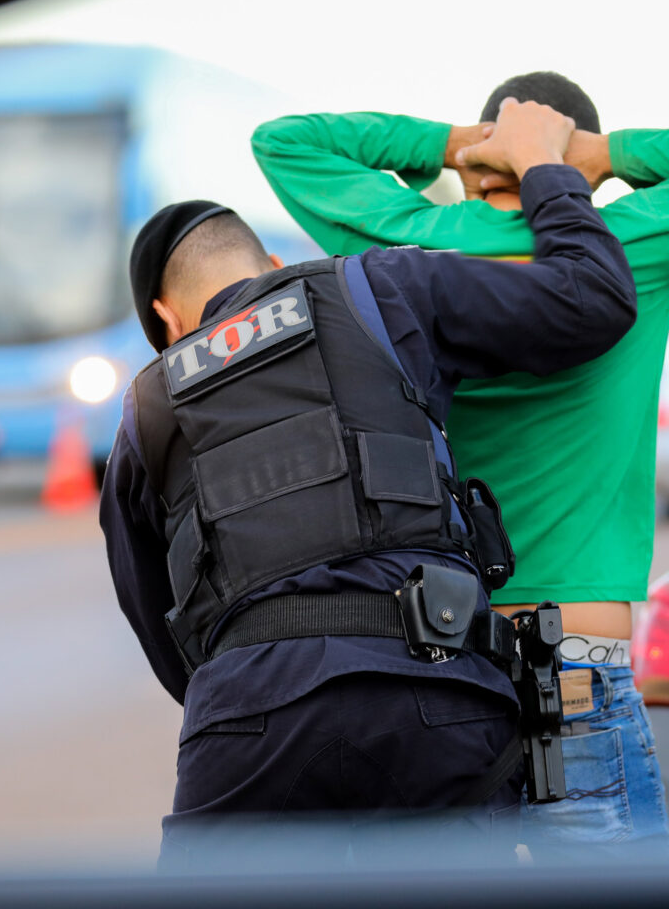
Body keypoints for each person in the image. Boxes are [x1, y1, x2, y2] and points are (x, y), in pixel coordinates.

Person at [251, 75, 669, 854]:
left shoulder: (405, 249)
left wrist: (454, 143)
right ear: (575, 170)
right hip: (576, 672)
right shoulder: (629, 247)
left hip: (440, 667)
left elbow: (285, 142)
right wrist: (591, 154)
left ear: (476, 164)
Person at [99, 99, 637, 869]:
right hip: (431, 691)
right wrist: (548, 172)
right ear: (275, 268)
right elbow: (592, 301)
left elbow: (162, 632)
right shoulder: (376, 290)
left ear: (166, 319)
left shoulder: (147, 406)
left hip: (247, 725)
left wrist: (265, 697)